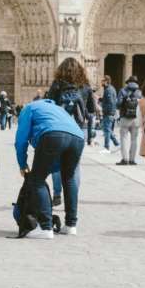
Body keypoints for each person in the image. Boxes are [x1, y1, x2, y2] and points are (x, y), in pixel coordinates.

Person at [14, 99, 86, 239]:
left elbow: (21, 140)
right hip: (78, 137)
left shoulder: (29, 108)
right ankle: (71, 225)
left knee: (37, 179)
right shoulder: (59, 108)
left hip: (52, 135)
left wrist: (22, 164)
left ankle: (45, 227)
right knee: (69, 178)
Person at [46, 58, 96, 207]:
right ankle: (72, 196)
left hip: (59, 128)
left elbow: (49, 106)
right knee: (75, 166)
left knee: (56, 164)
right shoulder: (86, 87)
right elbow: (92, 111)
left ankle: (57, 194)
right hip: (78, 130)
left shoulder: (56, 85)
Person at [117, 76, 143, 165]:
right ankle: (132, 160)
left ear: (128, 82)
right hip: (136, 118)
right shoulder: (139, 92)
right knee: (134, 140)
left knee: (124, 138)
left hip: (125, 117)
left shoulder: (123, 90)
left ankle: (125, 159)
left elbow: (118, 104)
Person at [99, 75, 120, 153]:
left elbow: (111, 102)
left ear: (106, 81)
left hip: (108, 113)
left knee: (107, 130)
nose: (101, 82)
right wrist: (101, 99)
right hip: (109, 113)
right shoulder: (109, 89)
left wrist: (107, 111)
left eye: (102, 81)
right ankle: (117, 143)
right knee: (107, 129)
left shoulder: (108, 90)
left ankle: (106, 147)